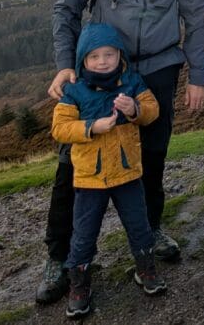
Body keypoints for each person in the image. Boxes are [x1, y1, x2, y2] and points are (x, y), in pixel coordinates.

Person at [36, 0, 204, 305]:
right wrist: (66, 64)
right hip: (101, 72)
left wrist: (199, 75)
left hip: (158, 69)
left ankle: (148, 235)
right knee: (73, 164)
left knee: (151, 156)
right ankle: (60, 258)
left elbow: (198, 16)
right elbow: (67, 7)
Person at [51, 23, 164, 318]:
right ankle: (79, 285)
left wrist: (134, 109)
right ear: (83, 61)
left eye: (109, 55)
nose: (103, 61)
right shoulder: (74, 91)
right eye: (94, 57)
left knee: (139, 225)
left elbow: (152, 110)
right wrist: (91, 128)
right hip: (90, 178)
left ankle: (146, 269)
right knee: (84, 234)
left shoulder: (132, 82)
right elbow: (59, 128)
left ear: (119, 55)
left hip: (127, 173)